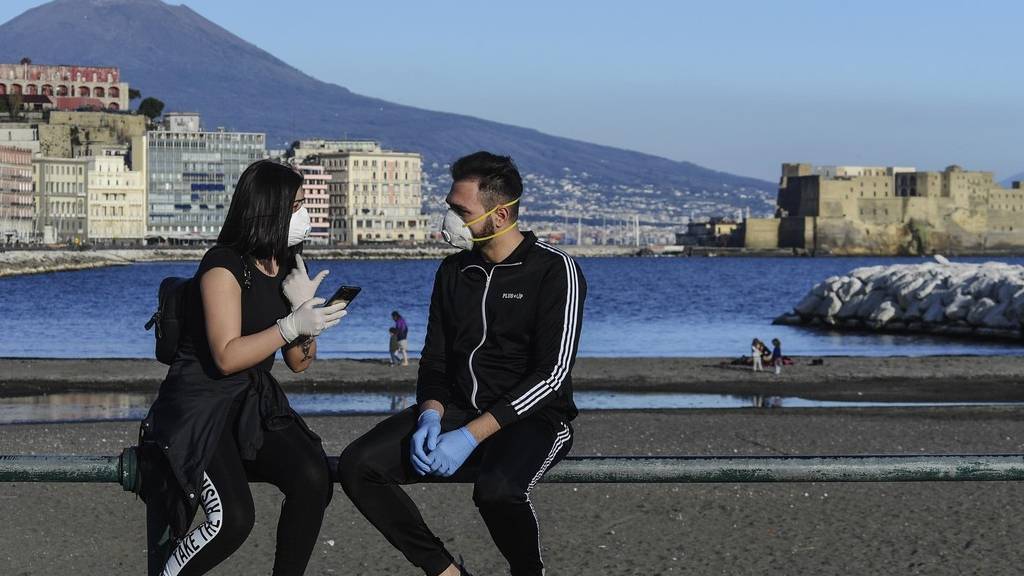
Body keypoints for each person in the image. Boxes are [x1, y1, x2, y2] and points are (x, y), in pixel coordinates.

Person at [338, 152, 587, 576]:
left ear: (500, 214)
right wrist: (430, 416)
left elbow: (552, 375)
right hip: (456, 409)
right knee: (356, 465)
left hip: (532, 417)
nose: (447, 220)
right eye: (450, 207)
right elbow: (435, 357)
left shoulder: (555, 270)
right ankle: (447, 572)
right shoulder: (454, 270)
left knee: (497, 492)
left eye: (460, 210)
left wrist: (471, 437)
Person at [139, 160, 347, 576]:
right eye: (298, 205)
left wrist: (308, 322)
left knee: (313, 475)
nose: (305, 214)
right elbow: (226, 356)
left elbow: (298, 364)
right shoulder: (223, 265)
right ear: (269, 209)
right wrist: (291, 325)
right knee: (232, 520)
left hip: (252, 402)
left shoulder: (286, 263)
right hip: (200, 405)